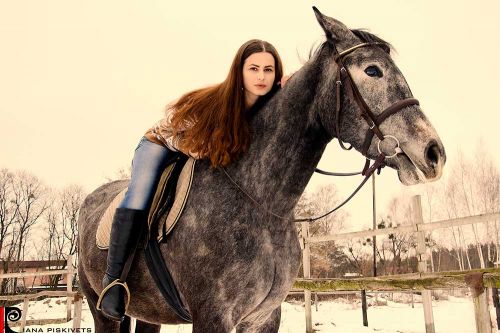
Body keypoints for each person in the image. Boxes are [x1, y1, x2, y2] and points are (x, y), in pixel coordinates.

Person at [98, 39, 290, 322]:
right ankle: (113, 281)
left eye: (268, 69)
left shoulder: (271, 102)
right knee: (139, 195)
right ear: (240, 71)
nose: (261, 77)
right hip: (164, 142)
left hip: (203, 150)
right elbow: (193, 142)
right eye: (253, 69)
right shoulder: (219, 101)